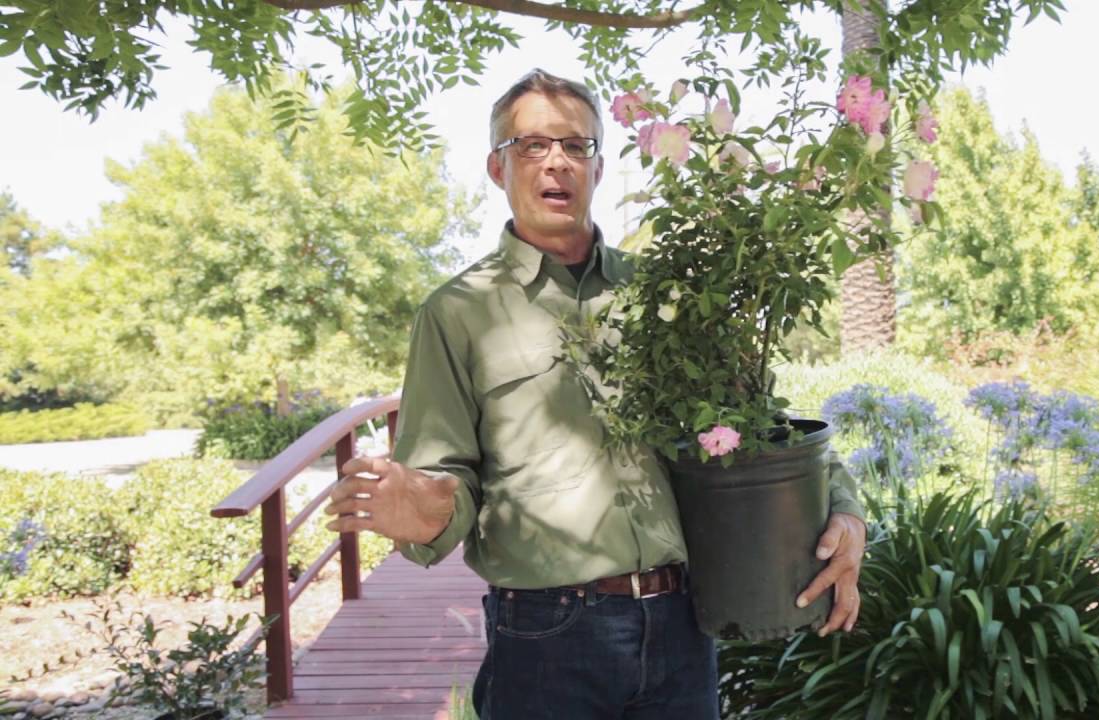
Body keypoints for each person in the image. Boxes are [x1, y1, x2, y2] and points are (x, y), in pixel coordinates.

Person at [324, 69, 867, 719]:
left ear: (600, 168)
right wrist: (418, 501)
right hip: (548, 638)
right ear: (497, 169)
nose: (556, 161)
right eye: (531, 145)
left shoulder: (664, 295)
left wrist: (846, 508)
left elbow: (754, 425)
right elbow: (444, 486)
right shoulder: (456, 313)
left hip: (681, 624)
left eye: (575, 146)